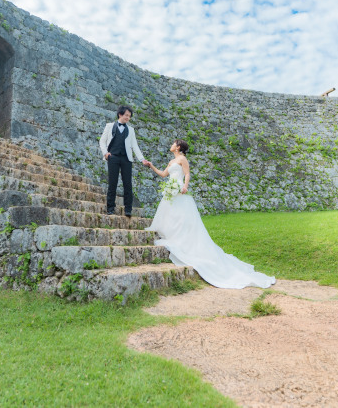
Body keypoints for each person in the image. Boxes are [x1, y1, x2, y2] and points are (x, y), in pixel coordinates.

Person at [145, 139, 275, 289]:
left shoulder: (182, 159)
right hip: (170, 190)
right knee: (170, 214)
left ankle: (182, 241)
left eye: (173, 143)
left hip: (179, 189)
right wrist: (151, 166)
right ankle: (171, 236)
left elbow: (187, 174)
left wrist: (185, 186)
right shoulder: (171, 161)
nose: (171, 145)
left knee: (181, 217)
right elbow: (163, 174)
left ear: (178, 147)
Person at [99, 105, 149, 217]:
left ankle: (128, 210)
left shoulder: (131, 130)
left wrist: (142, 159)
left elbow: (135, 146)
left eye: (129, 116)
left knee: (128, 184)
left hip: (126, 159)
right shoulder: (109, 126)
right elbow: (102, 141)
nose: (128, 118)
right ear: (120, 114)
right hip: (113, 157)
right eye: (126, 115)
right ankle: (110, 208)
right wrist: (105, 153)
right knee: (112, 183)